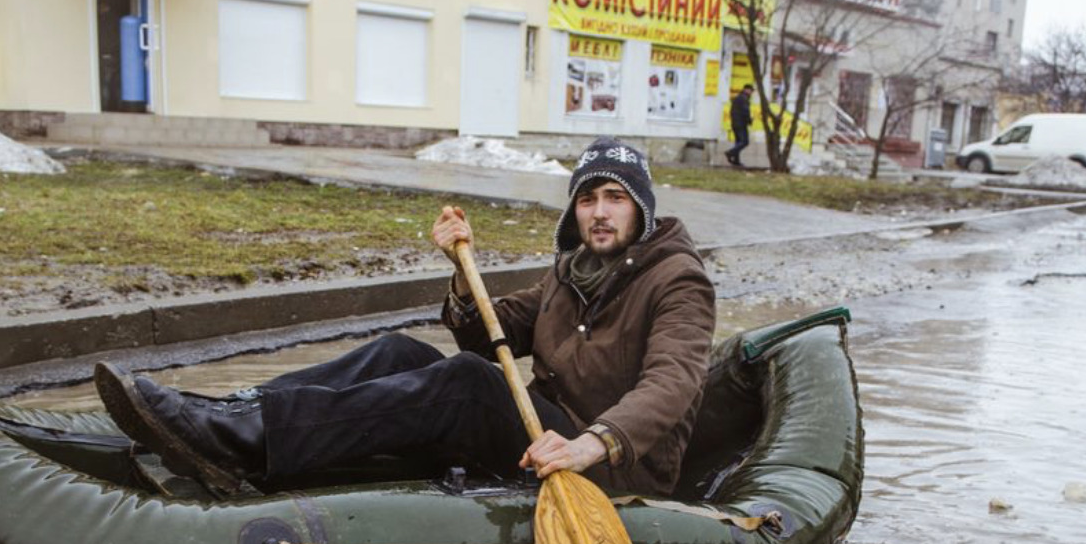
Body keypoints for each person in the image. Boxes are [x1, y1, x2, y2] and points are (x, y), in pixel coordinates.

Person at [93, 137, 716, 499]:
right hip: (545, 436)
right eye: (587, 198)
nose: (599, 213)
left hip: (611, 466)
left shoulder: (677, 279)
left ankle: (249, 441)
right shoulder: (572, 271)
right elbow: (485, 332)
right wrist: (459, 275)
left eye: (614, 199)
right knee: (400, 352)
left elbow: (673, 383)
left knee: (468, 383)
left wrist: (591, 444)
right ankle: (230, 415)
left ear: (641, 211)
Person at [726, 84, 753, 166]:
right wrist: (749, 121)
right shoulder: (744, 99)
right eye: (751, 91)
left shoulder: (737, 98)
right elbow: (746, 112)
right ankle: (730, 152)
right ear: (746, 90)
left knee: (738, 142)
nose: (751, 93)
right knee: (745, 141)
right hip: (741, 124)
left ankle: (736, 161)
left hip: (735, 123)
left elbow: (732, 111)